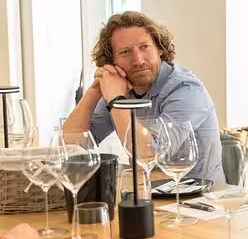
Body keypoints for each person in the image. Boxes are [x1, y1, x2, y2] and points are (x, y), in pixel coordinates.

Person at [63, 11, 224, 183]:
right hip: (150, 194)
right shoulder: (118, 90)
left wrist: (117, 101)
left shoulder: (186, 89)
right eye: (125, 52)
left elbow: (147, 156)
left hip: (200, 200)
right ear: (111, 62)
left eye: (144, 47)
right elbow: (70, 149)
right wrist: (94, 91)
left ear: (159, 49)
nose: (138, 60)